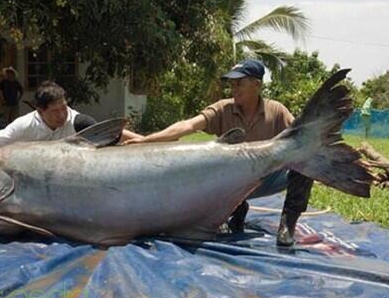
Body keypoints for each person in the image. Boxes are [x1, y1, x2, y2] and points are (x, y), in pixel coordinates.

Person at [124, 59, 314, 246]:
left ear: (257, 85)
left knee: (305, 161)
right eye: (232, 84)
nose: (234, 88)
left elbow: (301, 137)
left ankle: (287, 225)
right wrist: (145, 140)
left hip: (266, 178)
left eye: (239, 83)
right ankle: (233, 210)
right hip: (229, 182)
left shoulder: (277, 111)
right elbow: (188, 125)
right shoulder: (223, 109)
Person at [0, 80, 142, 166]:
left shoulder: (78, 121)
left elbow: (113, 133)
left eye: (64, 107)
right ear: (40, 111)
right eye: (55, 111)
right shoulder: (23, 127)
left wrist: (148, 141)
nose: (62, 114)